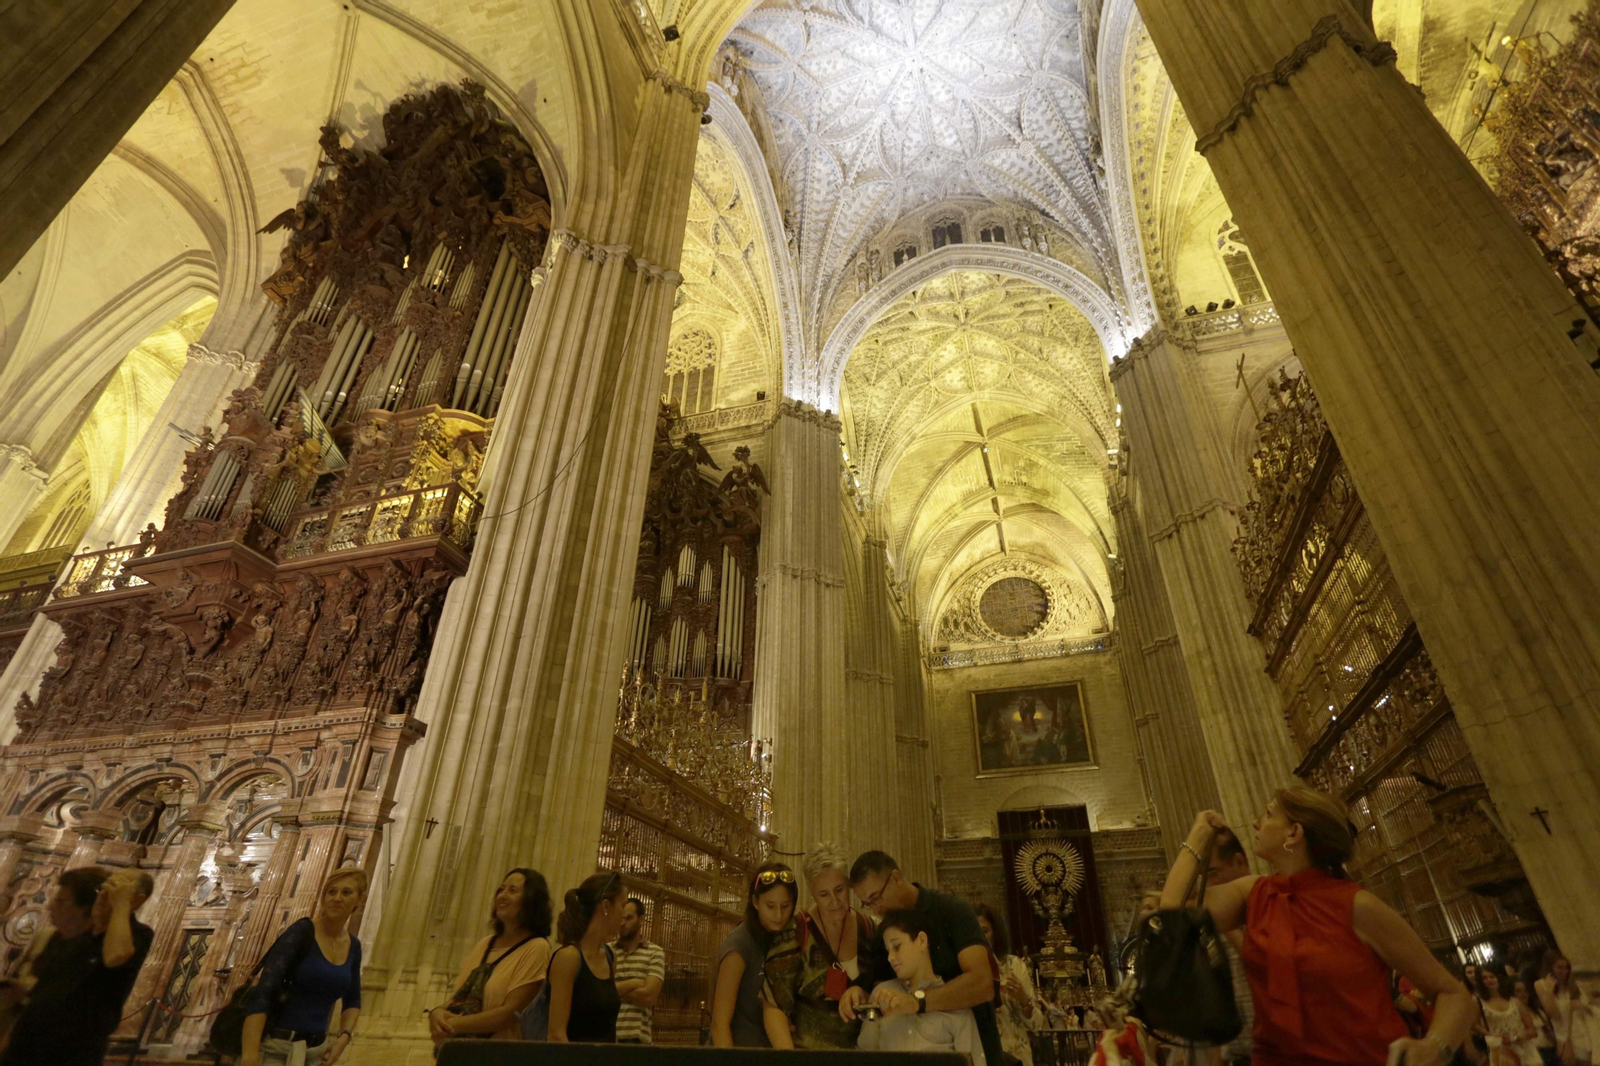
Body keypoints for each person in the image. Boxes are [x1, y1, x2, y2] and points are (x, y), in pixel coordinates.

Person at [1160, 789, 1475, 1066]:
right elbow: (1172, 913)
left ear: (1293, 833)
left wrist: (1434, 1048)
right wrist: (1198, 836)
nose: (1255, 823)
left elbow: (1452, 992)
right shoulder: (1253, 894)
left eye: (1267, 814)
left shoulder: (1356, 905)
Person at [844, 850, 1004, 1066]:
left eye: (876, 897)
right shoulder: (882, 935)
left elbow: (982, 984)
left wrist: (916, 1001)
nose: (875, 908)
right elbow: (880, 993)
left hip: (974, 1046)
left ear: (896, 878)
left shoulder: (952, 911)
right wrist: (858, 994)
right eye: (867, 903)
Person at [0, 866, 154, 1066]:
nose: (108, 892)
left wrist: (121, 905)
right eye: (107, 887)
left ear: (137, 900)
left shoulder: (137, 934)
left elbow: (116, 955)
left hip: (73, 1051)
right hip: (28, 1044)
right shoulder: (74, 935)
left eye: (120, 888)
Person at [241, 868, 365, 1066]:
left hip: (316, 1053)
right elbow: (264, 992)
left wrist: (344, 1037)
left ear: (359, 900)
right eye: (331, 892)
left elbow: (353, 999)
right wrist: (249, 1056)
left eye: (346, 892)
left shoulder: (354, 946)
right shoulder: (301, 932)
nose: (337, 898)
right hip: (276, 1048)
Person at [763, 843, 876, 1049]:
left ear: (849, 885)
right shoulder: (795, 932)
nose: (835, 901)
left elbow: (884, 989)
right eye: (824, 894)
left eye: (839, 890)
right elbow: (773, 1006)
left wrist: (864, 995)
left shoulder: (868, 928)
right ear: (812, 894)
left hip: (863, 1052)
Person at [428, 868, 552, 1046]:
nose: (502, 896)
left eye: (512, 891)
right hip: (460, 1049)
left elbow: (509, 1014)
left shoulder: (536, 947)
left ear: (531, 900)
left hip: (500, 1051)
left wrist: (450, 1025)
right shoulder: (485, 944)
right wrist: (437, 1012)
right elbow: (463, 998)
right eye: (501, 889)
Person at [857, 908, 987, 1065]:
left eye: (896, 946)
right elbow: (864, 1057)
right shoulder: (881, 996)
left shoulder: (954, 1001)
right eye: (888, 951)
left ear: (921, 941)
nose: (890, 957)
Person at [710, 862, 796, 1047]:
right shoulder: (740, 944)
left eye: (785, 906)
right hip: (740, 1051)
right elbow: (719, 1024)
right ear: (755, 902)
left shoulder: (788, 938)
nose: (778, 915)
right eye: (770, 906)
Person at [546, 871, 625, 1043]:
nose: (624, 914)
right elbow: (556, 1035)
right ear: (606, 906)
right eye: (622, 905)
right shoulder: (568, 958)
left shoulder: (610, 956)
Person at [1205, 828, 1255, 1066]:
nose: (1208, 885)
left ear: (1239, 862)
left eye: (1213, 873)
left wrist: (1226, 925)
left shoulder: (1267, 903)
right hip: (1237, 1055)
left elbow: (1266, 965)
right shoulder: (1217, 926)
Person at [975, 903, 1040, 1066]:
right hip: (979, 1054)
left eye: (985, 931)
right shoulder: (965, 969)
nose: (980, 938)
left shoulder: (1014, 966)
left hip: (1014, 1053)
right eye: (974, 932)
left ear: (995, 933)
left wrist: (1023, 999)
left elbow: (1036, 1024)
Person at [613, 897, 666, 1044]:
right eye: (621, 918)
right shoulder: (608, 951)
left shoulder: (655, 953)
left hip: (638, 1039)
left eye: (629, 918)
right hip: (608, 1036)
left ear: (641, 919)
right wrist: (634, 983)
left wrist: (615, 988)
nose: (622, 923)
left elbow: (649, 997)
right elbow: (599, 992)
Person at [1536, 956, 1591, 1066]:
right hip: (1565, 1037)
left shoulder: (1574, 986)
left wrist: (1583, 1006)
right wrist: (1550, 993)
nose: (1564, 971)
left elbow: (1590, 1008)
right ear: (1551, 968)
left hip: (1584, 1033)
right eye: (1559, 967)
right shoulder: (1542, 985)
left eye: (1566, 968)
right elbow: (1554, 1015)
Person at [1477, 971, 1537, 1066]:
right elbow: (1473, 1025)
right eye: (1484, 978)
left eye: (1492, 976)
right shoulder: (1479, 1004)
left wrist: (1517, 1036)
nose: (1489, 980)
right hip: (1500, 1052)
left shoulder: (1514, 1002)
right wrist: (1492, 1035)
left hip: (1524, 1050)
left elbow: (1533, 1030)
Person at [1514, 979, 1557, 1066]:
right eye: (1518, 991)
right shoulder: (1514, 1015)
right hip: (1533, 1052)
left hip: (1550, 1050)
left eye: (1525, 991)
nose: (1522, 994)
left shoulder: (1537, 1011)